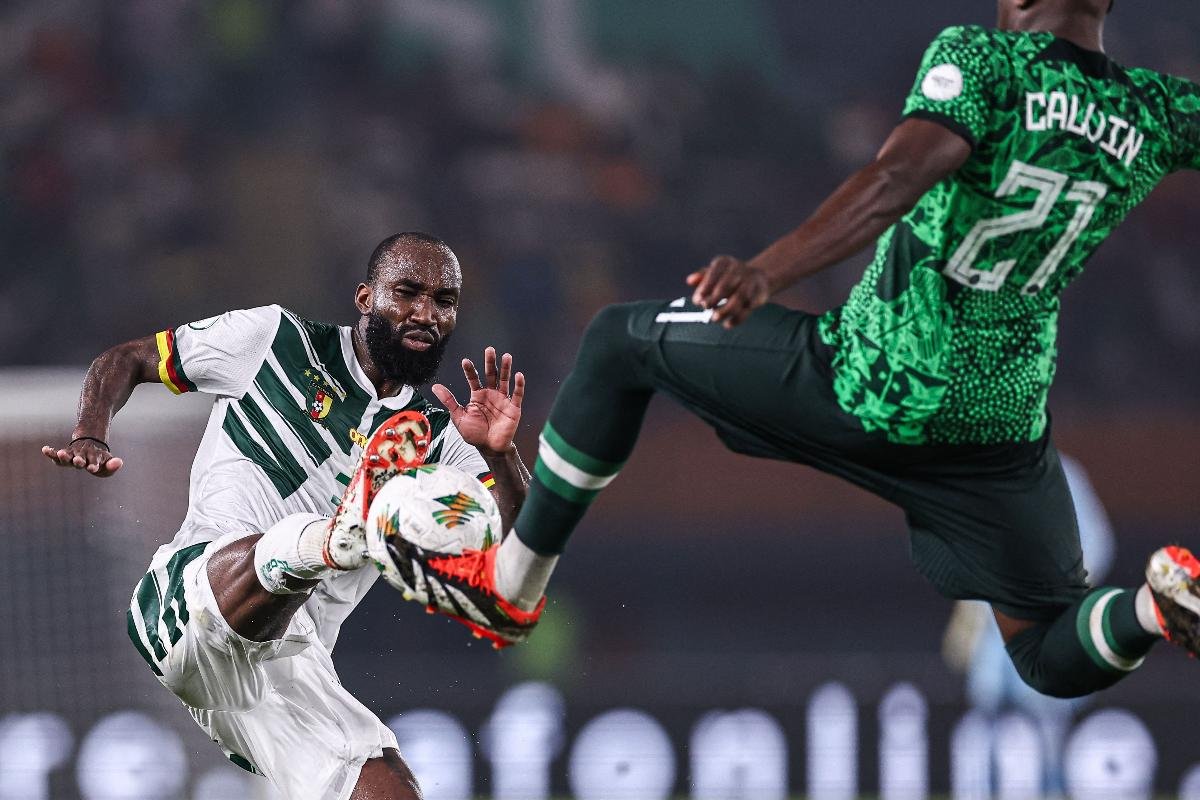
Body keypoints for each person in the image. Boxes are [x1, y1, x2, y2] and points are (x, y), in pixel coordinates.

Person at [391, 0, 1200, 706]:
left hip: (874, 380)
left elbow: (896, 175)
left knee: (616, 343)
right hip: (997, 437)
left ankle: (513, 585)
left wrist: (766, 270)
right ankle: (1154, 610)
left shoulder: (985, 59)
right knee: (1047, 652)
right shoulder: (1155, 109)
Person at [41, 232, 531, 800]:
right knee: (295, 546)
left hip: (291, 670)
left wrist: (502, 454)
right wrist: (90, 435)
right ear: (366, 297)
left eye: (443, 301)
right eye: (408, 292)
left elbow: (517, 548)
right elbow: (125, 359)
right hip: (190, 601)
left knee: (389, 790)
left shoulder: (444, 433)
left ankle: (343, 534)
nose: (425, 312)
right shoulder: (274, 340)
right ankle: (338, 537)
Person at [943, 454, 1115, 796]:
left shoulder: (1063, 476)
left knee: (1048, 739)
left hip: (1046, 634)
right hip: (994, 640)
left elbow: (1096, 548)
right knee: (988, 736)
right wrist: (964, 624)